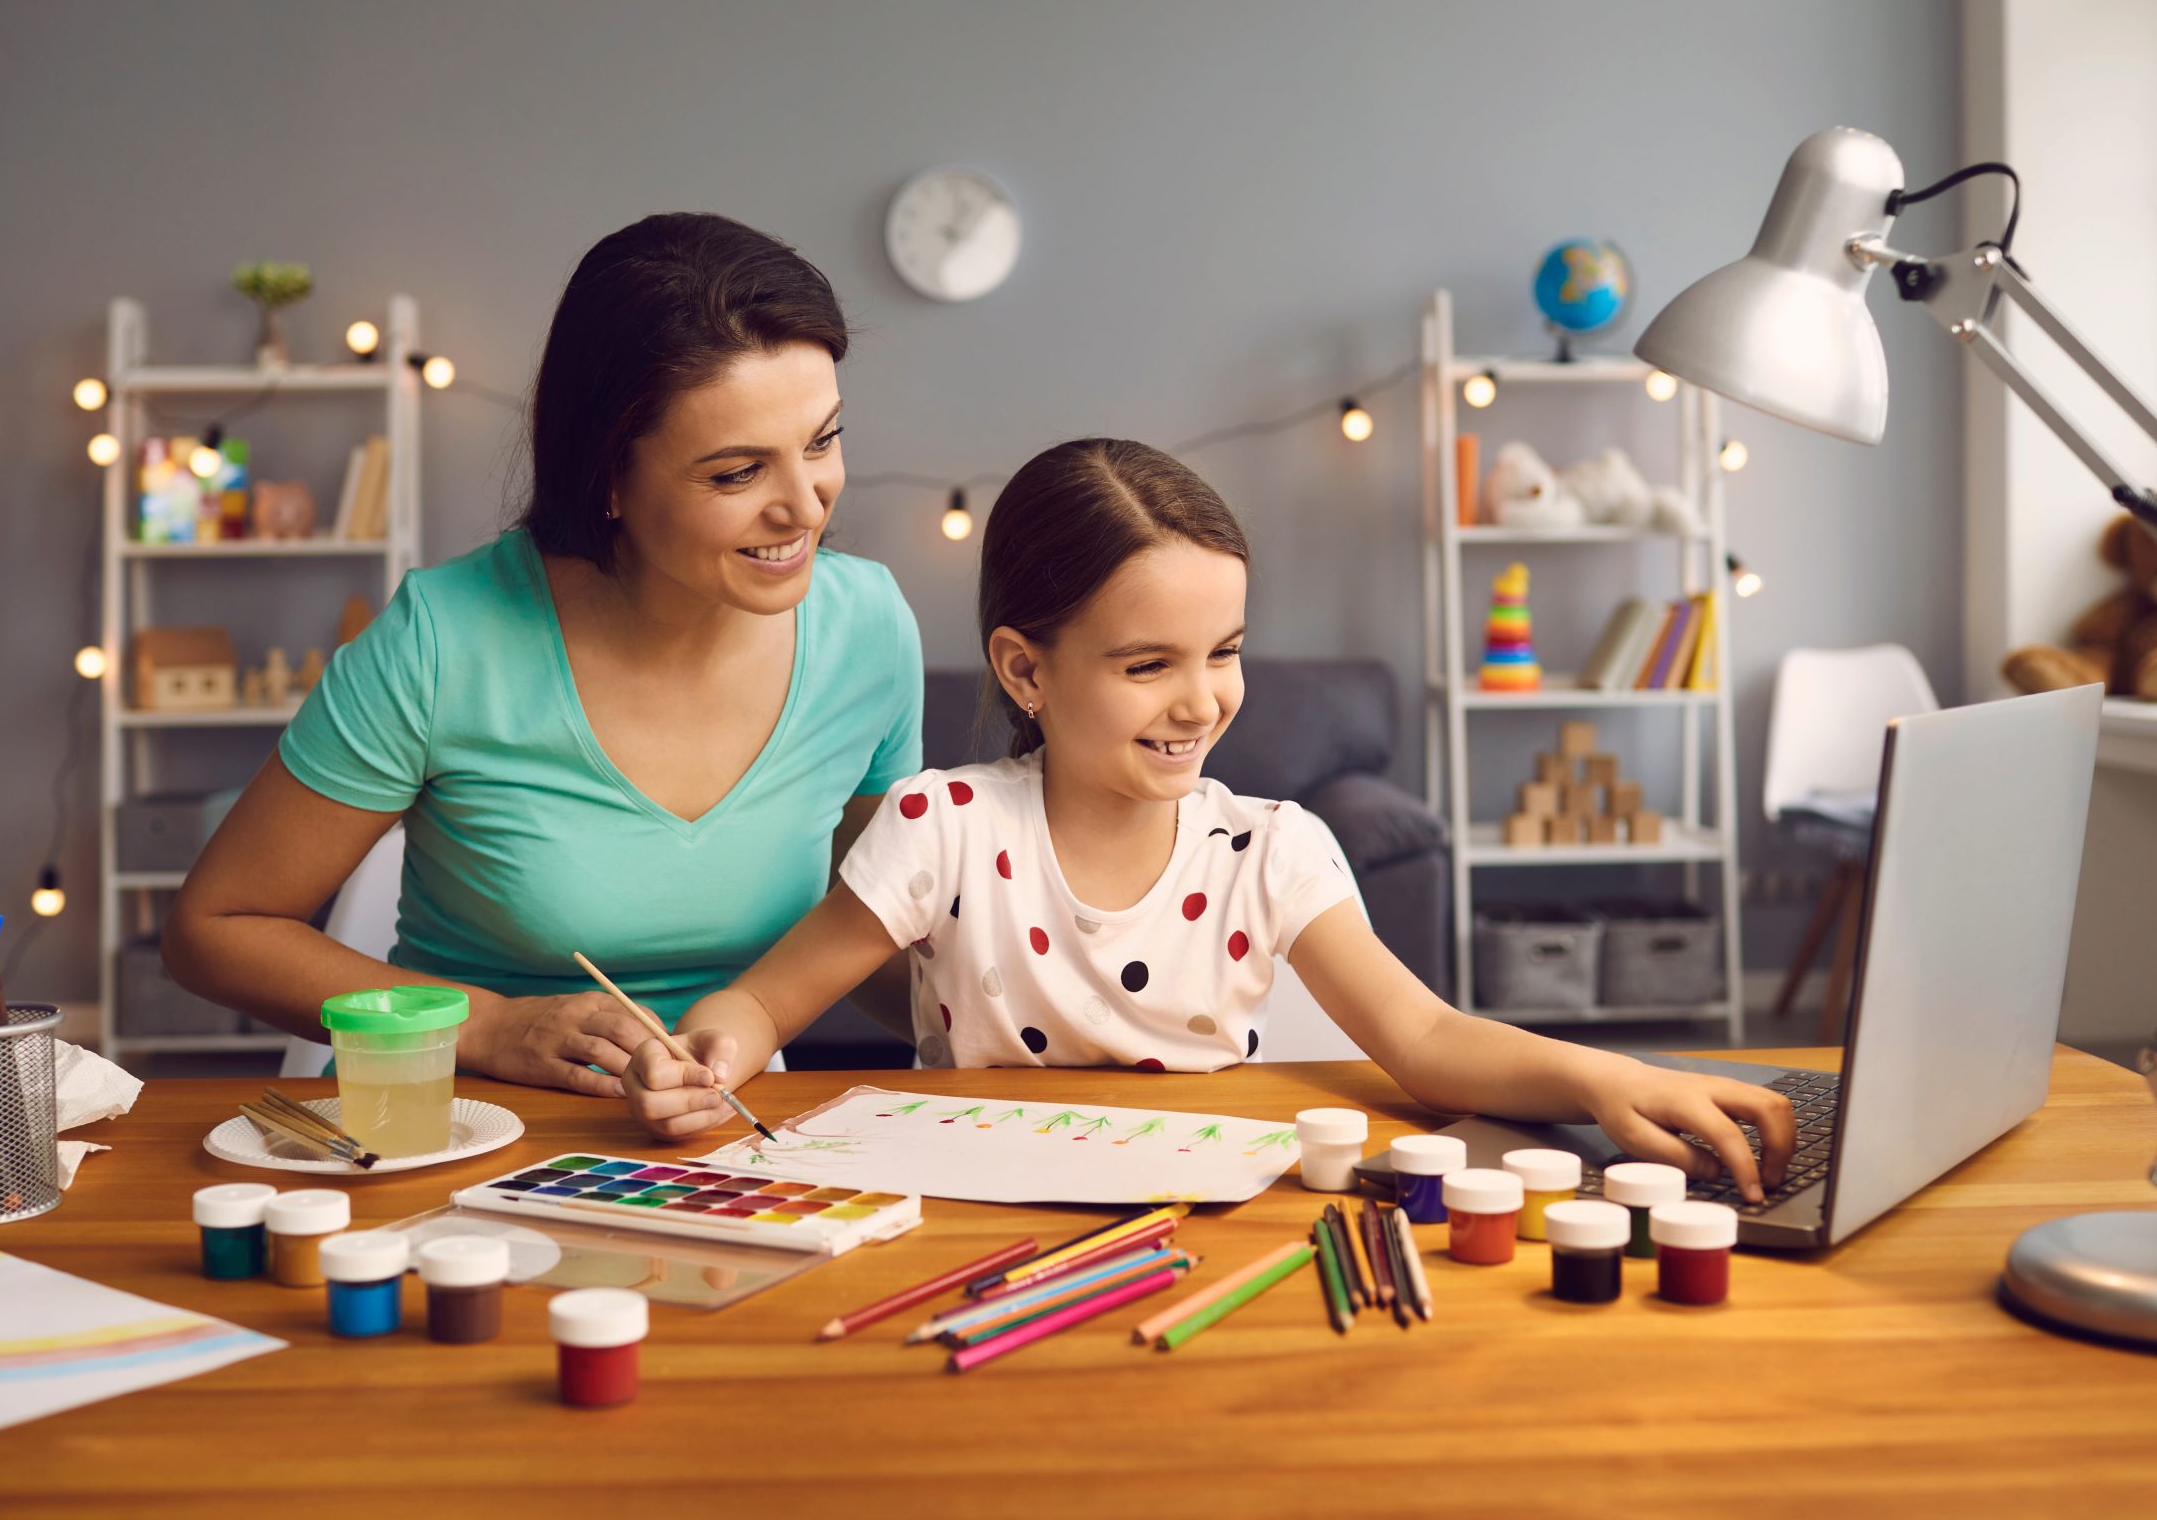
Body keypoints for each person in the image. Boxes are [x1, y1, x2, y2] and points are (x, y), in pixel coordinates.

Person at [623, 437, 1794, 1198]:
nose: (1201, 700)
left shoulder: (1272, 847)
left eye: (1224, 652)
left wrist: (1604, 1077)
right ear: (1024, 671)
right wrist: (710, 1046)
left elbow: (1426, 1039)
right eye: (1147, 664)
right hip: (963, 1228)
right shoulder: (940, 824)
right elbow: (764, 1001)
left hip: (1204, 1224)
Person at [163, 214, 923, 1094]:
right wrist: (486, 1026)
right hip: (454, 1125)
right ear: (607, 476)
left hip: (720, 1133)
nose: (806, 506)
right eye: (735, 474)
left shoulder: (867, 629)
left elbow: (870, 931)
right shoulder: (444, 641)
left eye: (822, 441)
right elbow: (215, 930)